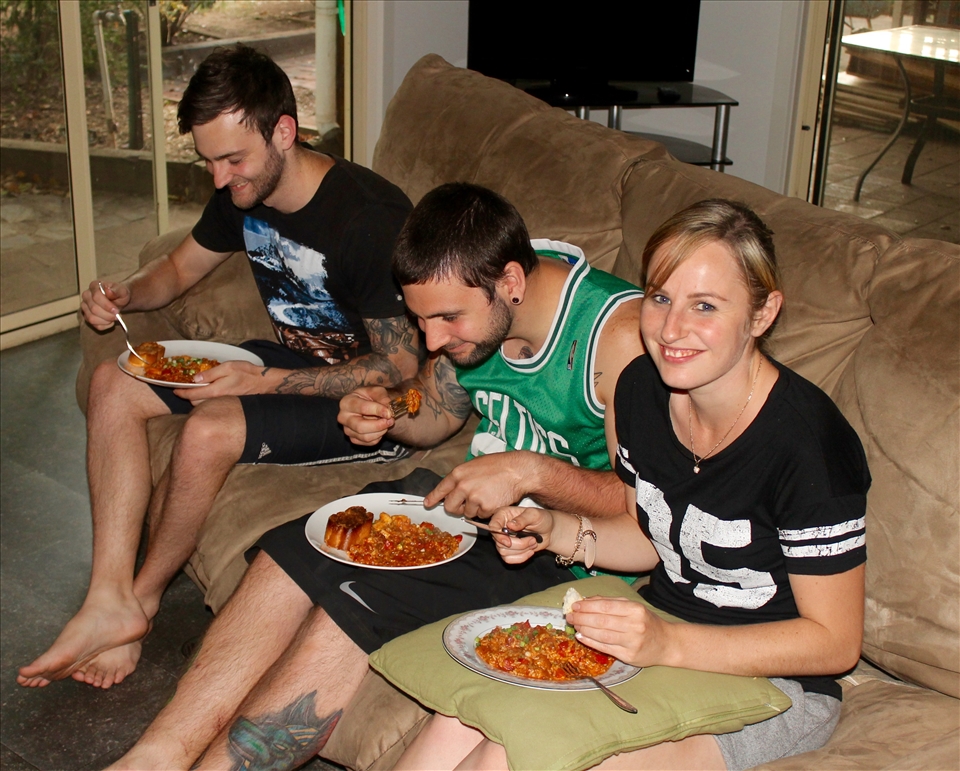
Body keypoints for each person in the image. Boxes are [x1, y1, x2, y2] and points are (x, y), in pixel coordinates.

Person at [105, 182, 646, 770]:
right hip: (466, 504)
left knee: (350, 609)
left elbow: (642, 509)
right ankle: (153, 758)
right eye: (421, 319)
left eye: (447, 319)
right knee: (292, 554)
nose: (433, 339)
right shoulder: (476, 295)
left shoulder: (619, 339)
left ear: (511, 282)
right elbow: (434, 411)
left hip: (558, 547)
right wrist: (384, 412)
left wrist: (527, 471)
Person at [393, 199, 870, 771]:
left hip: (775, 683)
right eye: (661, 298)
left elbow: (835, 643)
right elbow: (651, 537)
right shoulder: (642, 389)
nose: (671, 329)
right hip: (656, 634)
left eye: (705, 305)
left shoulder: (810, 443)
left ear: (763, 313)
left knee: (516, 755)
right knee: (454, 724)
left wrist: (667, 643)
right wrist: (555, 530)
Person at [17, 44, 419, 691]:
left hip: (368, 407)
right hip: (291, 360)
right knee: (114, 382)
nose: (219, 178)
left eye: (232, 159)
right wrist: (125, 292)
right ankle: (106, 594)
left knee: (209, 430)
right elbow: (179, 270)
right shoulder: (242, 192)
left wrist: (265, 382)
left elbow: (399, 367)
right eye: (208, 161)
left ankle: (139, 602)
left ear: (283, 131)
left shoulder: (370, 220)